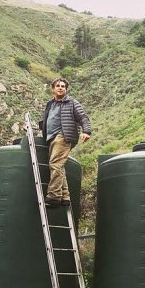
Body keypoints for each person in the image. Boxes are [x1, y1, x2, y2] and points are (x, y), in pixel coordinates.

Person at [41, 78, 91, 208]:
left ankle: (53, 196)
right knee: (59, 166)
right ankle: (65, 197)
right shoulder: (50, 104)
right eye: (57, 85)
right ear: (53, 89)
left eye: (63, 86)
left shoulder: (72, 103)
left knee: (55, 164)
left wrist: (86, 131)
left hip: (64, 135)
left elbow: (83, 117)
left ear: (66, 89)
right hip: (51, 137)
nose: (60, 87)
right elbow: (48, 119)